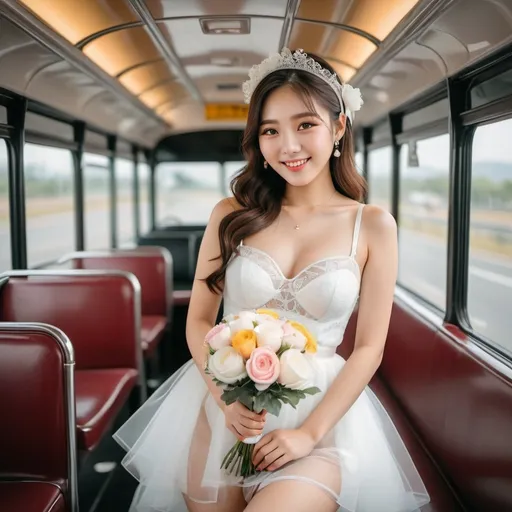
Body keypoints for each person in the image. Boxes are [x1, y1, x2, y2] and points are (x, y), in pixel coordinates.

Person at [113, 48, 431, 512]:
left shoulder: (374, 225)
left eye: (305, 124)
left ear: (339, 127)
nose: (288, 146)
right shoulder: (230, 215)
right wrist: (226, 404)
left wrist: (309, 433)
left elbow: (368, 348)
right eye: (270, 130)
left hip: (321, 419)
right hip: (226, 406)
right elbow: (199, 321)